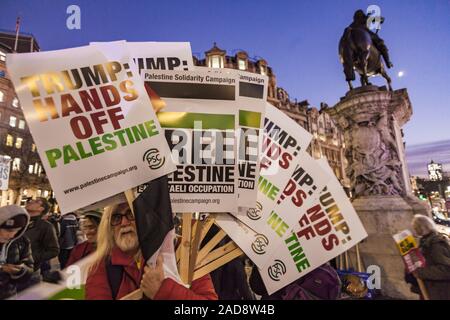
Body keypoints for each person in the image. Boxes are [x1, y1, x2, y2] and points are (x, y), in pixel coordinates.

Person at [85, 202, 218, 300]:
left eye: (131, 213)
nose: (124, 223)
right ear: (109, 227)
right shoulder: (100, 268)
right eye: (116, 217)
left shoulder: (181, 254)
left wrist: (162, 290)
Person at [411, 214, 450, 300]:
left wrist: (420, 272)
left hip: (441, 292)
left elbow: (446, 269)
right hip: (432, 290)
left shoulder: (436, 244)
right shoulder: (425, 242)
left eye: (415, 227)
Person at [0, 205, 34, 299]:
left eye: (17, 230)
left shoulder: (22, 242)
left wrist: (20, 271)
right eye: (8, 230)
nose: (12, 235)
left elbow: (30, 268)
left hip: (8, 294)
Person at [24, 198, 60, 283]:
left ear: (41, 209)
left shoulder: (46, 227)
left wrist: (31, 258)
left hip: (30, 274)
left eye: (36, 201)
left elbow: (54, 250)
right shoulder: (19, 221)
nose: (30, 201)